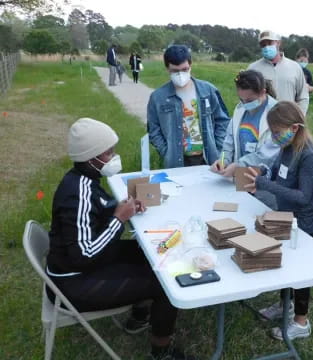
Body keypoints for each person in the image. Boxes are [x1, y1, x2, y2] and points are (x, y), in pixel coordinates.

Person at [46, 118, 195, 360]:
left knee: (149, 252)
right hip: (72, 283)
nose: (114, 156)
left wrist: (122, 208)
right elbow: (83, 254)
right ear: (90, 156)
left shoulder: (84, 180)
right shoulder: (78, 193)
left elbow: (96, 215)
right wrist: (119, 218)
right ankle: (161, 352)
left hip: (75, 268)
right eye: (108, 153)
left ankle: (140, 316)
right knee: (164, 283)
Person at [244, 101, 313, 340]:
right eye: (273, 132)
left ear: (295, 127)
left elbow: (304, 197)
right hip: (285, 216)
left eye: (278, 132)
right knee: (284, 264)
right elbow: (276, 172)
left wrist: (266, 185)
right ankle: (284, 305)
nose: (275, 137)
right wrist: (263, 173)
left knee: (299, 272)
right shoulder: (286, 146)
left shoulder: (307, 155)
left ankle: (301, 321)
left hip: (304, 221)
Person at [147, 44, 230, 168]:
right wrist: (165, 152)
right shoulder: (158, 97)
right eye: (175, 71)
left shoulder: (208, 91)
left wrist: (218, 148)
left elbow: (223, 121)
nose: (180, 74)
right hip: (176, 162)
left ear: (190, 65)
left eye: (185, 69)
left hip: (208, 158)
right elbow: (153, 130)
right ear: (167, 68)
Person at [210, 69, 279, 177]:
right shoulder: (239, 109)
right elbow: (228, 142)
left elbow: (269, 153)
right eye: (241, 99)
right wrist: (223, 160)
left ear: (263, 92)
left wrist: (239, 165)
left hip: (265, 178)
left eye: (249, 100)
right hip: (242, 175)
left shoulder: (277, 113)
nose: (245, 104)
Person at [248, 30, 309, 114]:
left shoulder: (295, 67)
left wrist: (299, 118)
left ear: (278, 43)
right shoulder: (253, 69)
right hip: (262, 121)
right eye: (263, 45)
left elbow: (303, 97)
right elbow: (247, 98)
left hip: (287, 120)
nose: (266, 47)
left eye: (270, 43)